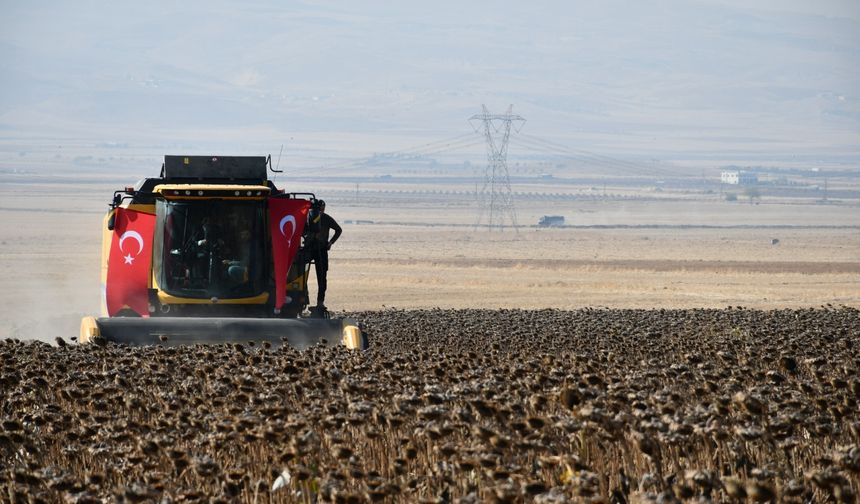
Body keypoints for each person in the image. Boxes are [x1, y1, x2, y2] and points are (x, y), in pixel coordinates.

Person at [308, 200, 341, 309]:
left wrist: (331, 242)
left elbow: (338, 230)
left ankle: (320, 302)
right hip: (308, 248)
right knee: (299, 274)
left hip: (321, 249)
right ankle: (303, 298)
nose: (321, 211)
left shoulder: (325, 218)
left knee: (322, 276)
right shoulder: (308, 217)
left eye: (322, 209)